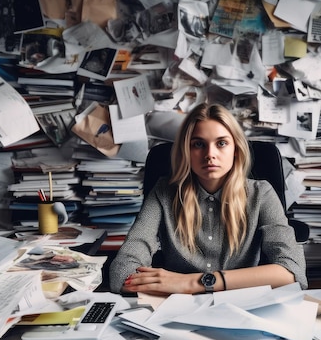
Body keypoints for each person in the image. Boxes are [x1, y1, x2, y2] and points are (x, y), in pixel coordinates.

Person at [108, 103, 307, 295]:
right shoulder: (164, 192)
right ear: (186, 150)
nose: (210, 155)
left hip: (241, 308)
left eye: (221, 143)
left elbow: (292, 271)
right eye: (198, 144)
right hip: (178, 309)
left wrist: (194, 283)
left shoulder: (261, 194)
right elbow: (121, 272)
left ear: (236, 149)